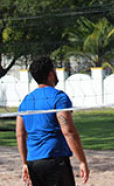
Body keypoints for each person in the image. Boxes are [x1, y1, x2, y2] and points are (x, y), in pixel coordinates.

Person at [16, 57, 89, 186]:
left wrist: (25, 163)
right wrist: (82, 161)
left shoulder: (26, 100)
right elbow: (69, 131)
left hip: (34, 162)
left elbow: (20, 134)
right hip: (55, 159)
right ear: (51, 74)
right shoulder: (58, 97)